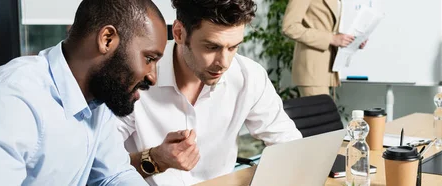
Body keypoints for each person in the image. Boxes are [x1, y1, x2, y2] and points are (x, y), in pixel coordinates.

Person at [0, 0, 167, 185]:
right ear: (107, 40)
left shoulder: (97, 99)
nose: (152, 77)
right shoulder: (12, 103)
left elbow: (115, 176)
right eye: (149, 58)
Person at [115, 0, 303, 185]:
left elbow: (288, 144)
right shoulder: (133, 80)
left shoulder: (249, 76)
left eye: (233, 47)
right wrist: (156, 159)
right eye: (212, 47)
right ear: (179, 33)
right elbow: (98, 167)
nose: (225, 63)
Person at [282, 0, 367, 97]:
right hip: (312, 69)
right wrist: (331, 38)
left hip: (330, 68)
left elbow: (333, 25)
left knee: (326, 110)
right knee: (320, 111)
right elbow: (289, 27)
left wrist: (354, 40)